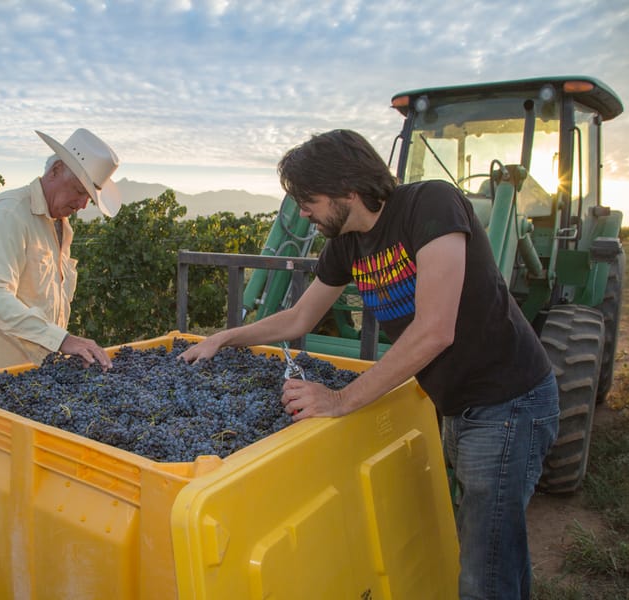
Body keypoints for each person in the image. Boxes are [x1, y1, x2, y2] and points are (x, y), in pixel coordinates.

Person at [179, 129, 559, 600]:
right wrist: (223, 337)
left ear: (347, 188)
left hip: (509, 401)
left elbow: (435, 329)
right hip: (461, 405)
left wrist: (340, 400)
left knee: (486, 569)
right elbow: (300, 316)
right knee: (493, 550)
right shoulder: (346, 245)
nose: (302, 212)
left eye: (308, 199)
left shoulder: (431, 206)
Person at [0, 128, 121, 375]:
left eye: (88, 198)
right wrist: (61, 340)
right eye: (79, 192)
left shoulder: (60, 226)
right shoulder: (9, 214)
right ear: (56, 171)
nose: (81, 205)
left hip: (30, 370)